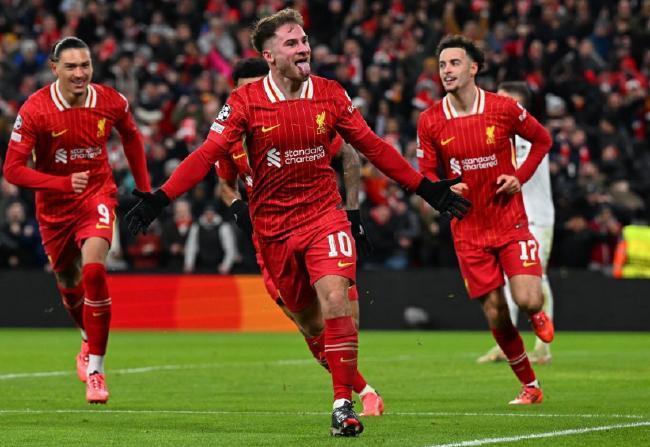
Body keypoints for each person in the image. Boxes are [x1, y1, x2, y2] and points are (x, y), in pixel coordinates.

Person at [125, 9, 468, 436]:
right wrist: (161, 198)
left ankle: (342, 405)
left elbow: (371, 147)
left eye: (304, 40)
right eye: (292, 43)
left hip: (324, 216)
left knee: (337, 300)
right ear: (269, 56)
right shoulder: (245, 102)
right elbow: (206, 155)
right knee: (311, 323)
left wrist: (426, 189)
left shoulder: (330, 93)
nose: (303, 48)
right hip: (273, 231)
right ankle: (359, 386)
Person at [216, 57, 384, 417]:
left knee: (345, 318)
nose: (253, 93)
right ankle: (362, 391)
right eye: (245, 88)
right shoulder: (229, 138)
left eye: (257, 85)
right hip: (270, 239)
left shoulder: (294, 120)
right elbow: (224, 183)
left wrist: (353, 213)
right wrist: (235, 205)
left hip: (318, 223)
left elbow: (349, 156)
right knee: (310, 326)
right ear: (235, 93)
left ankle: (349, 398)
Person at [3, 37, 150, 404]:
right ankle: (87, 339)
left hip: (96, 195)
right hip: (54, 207)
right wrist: (62, 183)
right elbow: (12, 170)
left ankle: (96, 371)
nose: (80, 73)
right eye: (71, 66)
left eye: (85, 65)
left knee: (94, 271)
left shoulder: (110, 100)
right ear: (55, 68)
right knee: (69, 281)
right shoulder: (35, 110)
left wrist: (146, 191)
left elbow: (131, 136)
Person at [416, 35, 554, 405]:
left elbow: (542, 140)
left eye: (454, 63)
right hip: (468, 230)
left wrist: (519, 177)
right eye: (442, 65)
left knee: (527, 299)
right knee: (496, 313)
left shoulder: (503, 108)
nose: (447, 71)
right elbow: (426, 173)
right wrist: (445, 190)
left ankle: (537, 313)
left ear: (473, 68)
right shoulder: (430, 120)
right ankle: (530, 385)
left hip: (509, 222)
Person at [477, 82, 556, 365]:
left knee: (536, 277)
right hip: (508, 218)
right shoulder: (494, 134)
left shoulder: (529, 136)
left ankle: (542, 349)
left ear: (521, 107)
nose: (498, 104)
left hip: (536, 218)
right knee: (506, 280)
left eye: (506, 100)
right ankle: (507, 346)